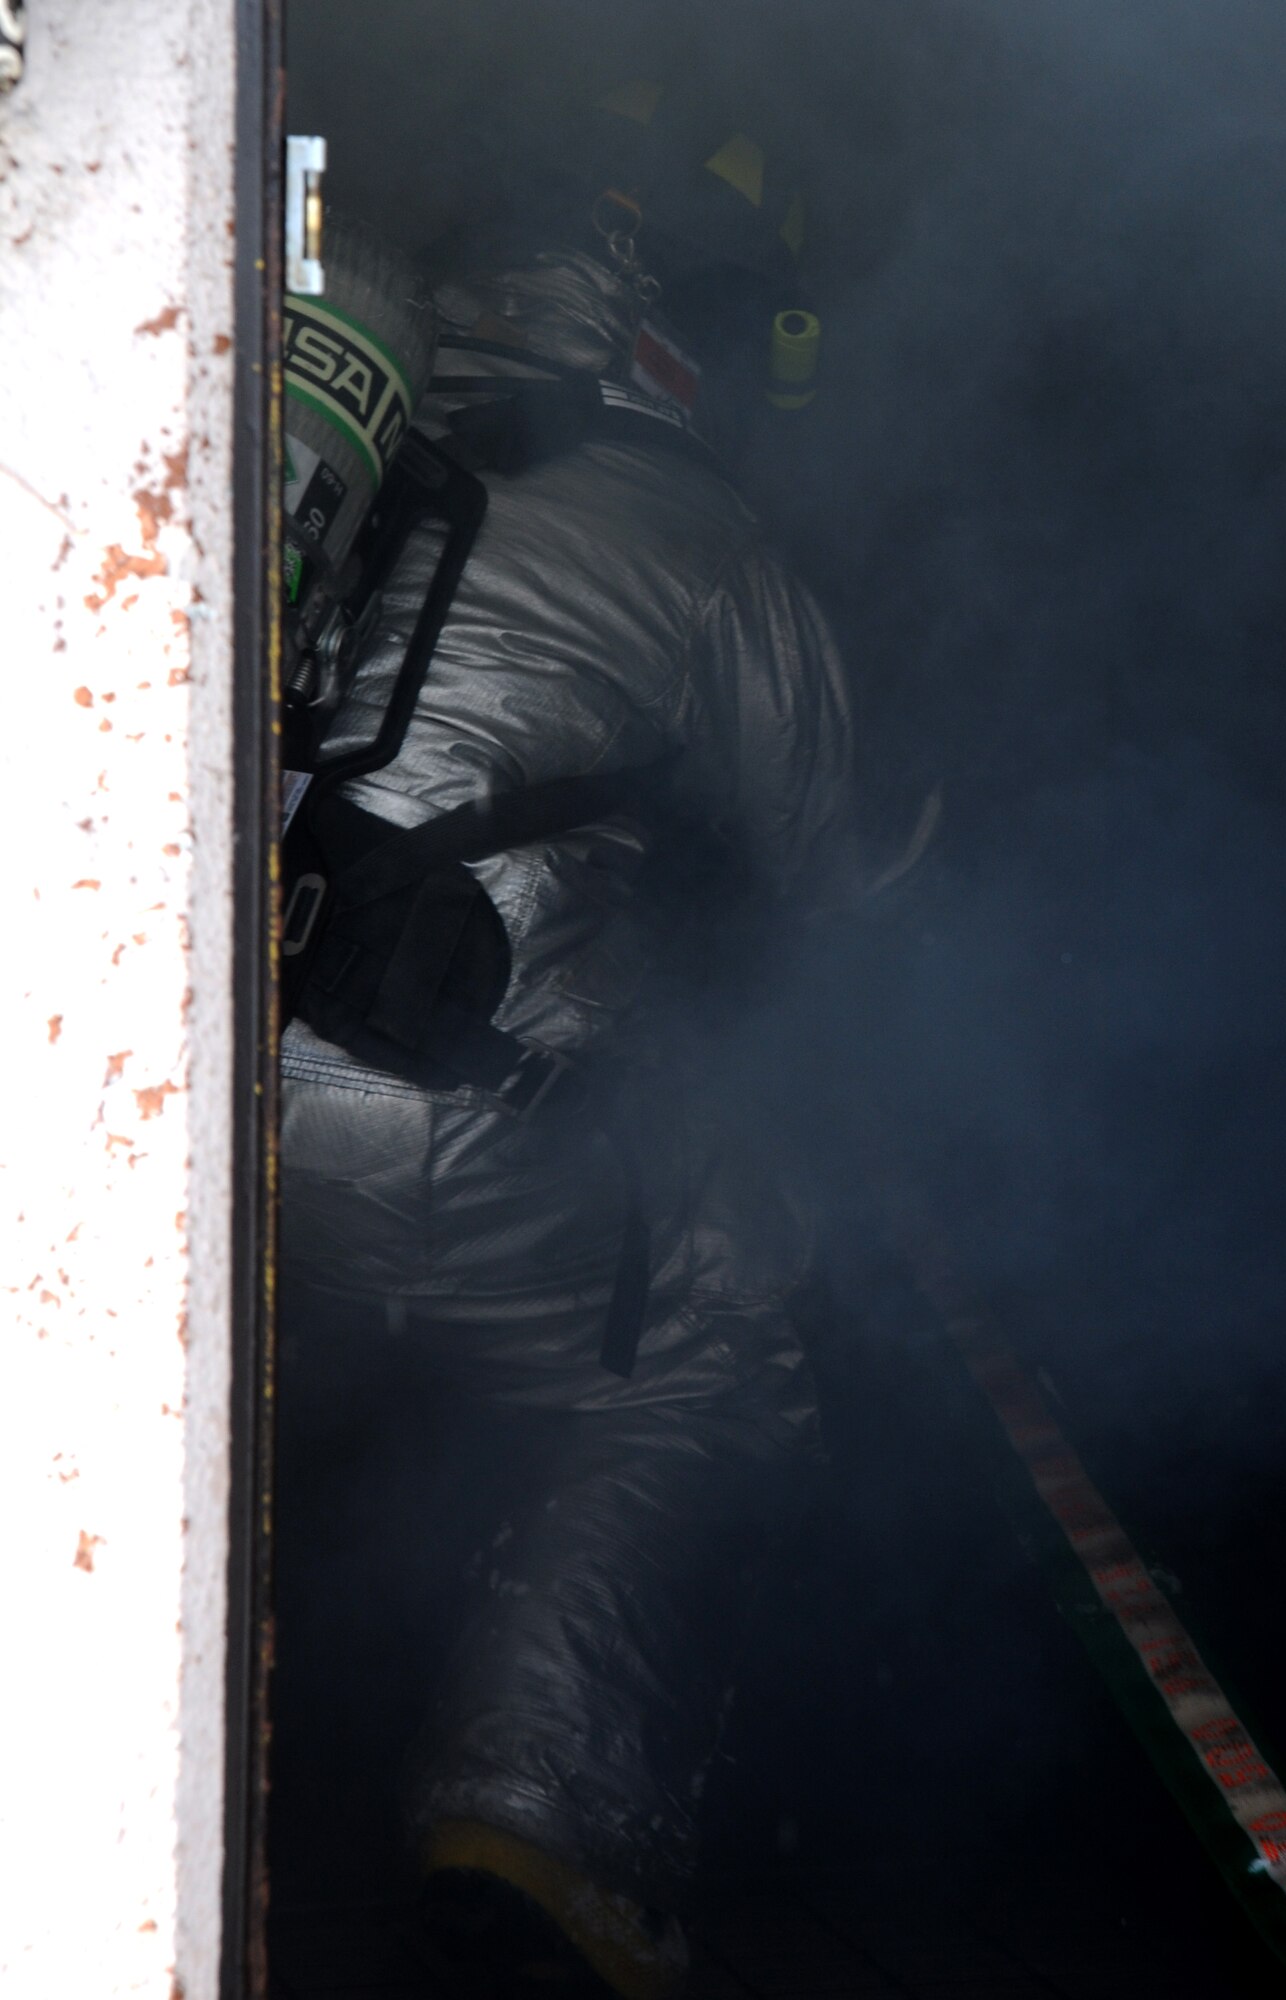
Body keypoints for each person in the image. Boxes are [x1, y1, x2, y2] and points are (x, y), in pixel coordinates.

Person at [277, 84, 857, 2000]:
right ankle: (537, 1808)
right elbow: (847, 866)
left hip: (200, 1102)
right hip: (438, 1128)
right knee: (720, 1325)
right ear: (667, 320)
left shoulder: (321, 464)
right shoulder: (700, 532)